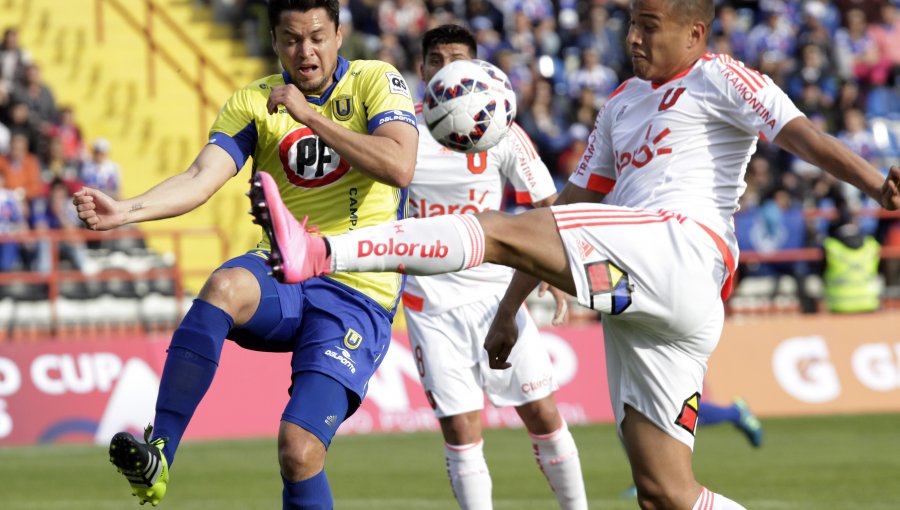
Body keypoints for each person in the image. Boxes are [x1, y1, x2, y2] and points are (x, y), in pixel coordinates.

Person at [250, 1, 900, 508]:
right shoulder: (619, 105)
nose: (635, 39)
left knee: (493, 225)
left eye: (650, 26)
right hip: (653, 303)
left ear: (696, 34)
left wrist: (877, 183)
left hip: (680, 246)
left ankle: (321, 250)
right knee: (665, 494)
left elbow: (801, 136)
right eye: (630, 27)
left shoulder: (719, 76)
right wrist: (511, 310)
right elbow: (557, 212)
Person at [74, 1, 418, 508]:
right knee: (223, 286)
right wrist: (124, 211)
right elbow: (199, 178)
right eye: (292, 39)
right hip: (285, 275)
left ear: (340, 35)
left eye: (318, 37)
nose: (306, 51)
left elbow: (399, 166)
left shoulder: (374, 81)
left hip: (358, 289)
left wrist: (308, 115)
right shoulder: (253, 102)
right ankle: (160, 453)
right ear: (274, 41)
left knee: (298, 452)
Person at [403, 25, 586, 510]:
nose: (444, 67)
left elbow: (551, 205)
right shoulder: (399, 131)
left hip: (496, 296)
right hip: (430, 302)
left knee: (543, 414)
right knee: (461, 429)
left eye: (455, 58)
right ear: (421, 69)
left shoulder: (500, 126)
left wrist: (554, 271)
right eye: (434, 58)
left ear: (475, 67)